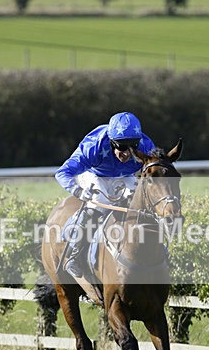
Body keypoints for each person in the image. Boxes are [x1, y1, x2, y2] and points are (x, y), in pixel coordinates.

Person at [55, 111, 158, 278]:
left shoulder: (146, 146)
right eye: (122, 147)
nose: (127, 153)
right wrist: (77, 190)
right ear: (111, 142)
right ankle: (75, 254)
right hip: (94, 174)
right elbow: (62, 172)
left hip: (123, 177)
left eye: (133, 147)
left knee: (142, 203)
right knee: (97, 201)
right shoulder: (94, 145)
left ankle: (160, 249)